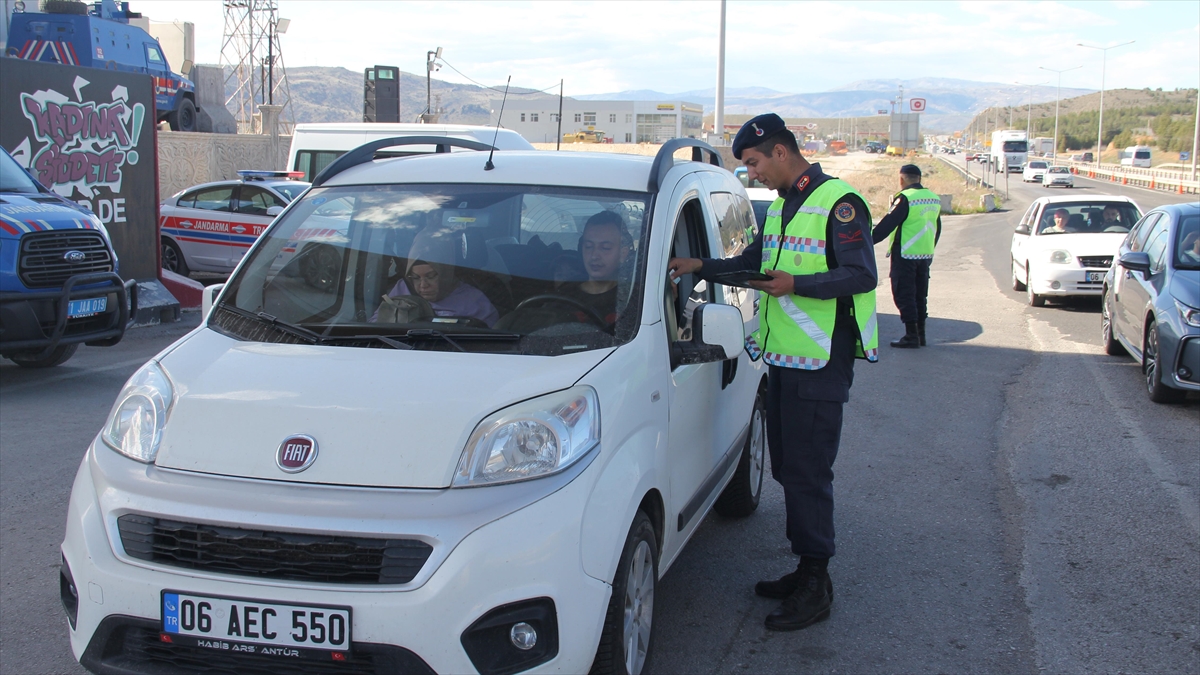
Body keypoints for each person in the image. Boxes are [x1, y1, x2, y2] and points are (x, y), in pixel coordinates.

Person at [668, 113, 878, 632]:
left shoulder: (839, 202)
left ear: (781, 152)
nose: (752, 173)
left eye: (754, 162)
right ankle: (806, 568)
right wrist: (701, 267)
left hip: (820, 364)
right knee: (787, 468)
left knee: (808, 473)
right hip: (785, 359)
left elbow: (861, 274)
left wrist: (796, 285)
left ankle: (816, 583)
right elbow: (756, 262)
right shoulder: (784, 206)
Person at [870, 164, 941, 348]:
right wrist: (930, 247)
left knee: (904, 294)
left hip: (905, 254)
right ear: (919, 178)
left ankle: (911, 336)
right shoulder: (933, 198)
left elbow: (887, 225)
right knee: (920, 295)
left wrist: (864, 242)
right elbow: (937, 227)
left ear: (901, 179)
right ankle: (920, 334)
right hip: (925, 254)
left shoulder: (905, 198)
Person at [373, 231, 499, 326]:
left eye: (431, 276)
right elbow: (375, 324)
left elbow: (491, 339)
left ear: (446, 274)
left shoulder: (474, 300)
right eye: (415, 278)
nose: (423, 285)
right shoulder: (402, 288)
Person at [561, 210, 633, 326]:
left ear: (623, 254)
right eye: (588, 246)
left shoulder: (633, 299)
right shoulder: (564, 293)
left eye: (605, 248)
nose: (594, 256)